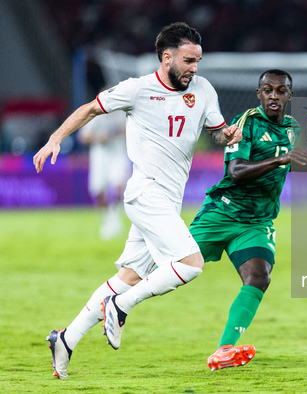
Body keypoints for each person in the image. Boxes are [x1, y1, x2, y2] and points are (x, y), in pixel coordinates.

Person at [33, 22, 242, 379]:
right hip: (146, 194)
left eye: (198, 61)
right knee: (190, 264)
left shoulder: (203, 90)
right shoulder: (138, 89)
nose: (195, 68)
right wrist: (56, 138)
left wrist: (229, 134)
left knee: (128, 276)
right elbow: (89, 110)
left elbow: (217, 133)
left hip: (168, 200)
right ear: (166, 57)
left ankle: (66, 339)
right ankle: (122, 307)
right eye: (189, 60)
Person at [187, 69, 307, 371]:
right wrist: (281, 159)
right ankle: (117, 301)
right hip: (223, 213)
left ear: (289, 95)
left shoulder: (290, 127)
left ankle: (224, 350)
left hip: (257, 221)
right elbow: (237, 171)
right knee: (169, 268)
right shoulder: (245, 124)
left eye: (280, 90)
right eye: (268, 90)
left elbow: (285, 164)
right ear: (258, 94)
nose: (274, 95)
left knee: (259, 277)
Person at [78, 108, 130, 240]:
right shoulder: (97, 116)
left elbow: (132, 129)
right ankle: (107, 220)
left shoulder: (122, 114)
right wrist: (99, 137)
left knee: (118, 187)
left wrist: (117, 133)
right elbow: (83, 136)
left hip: (118, 154)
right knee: (98, 191)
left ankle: (115, 215)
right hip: (100, 157)